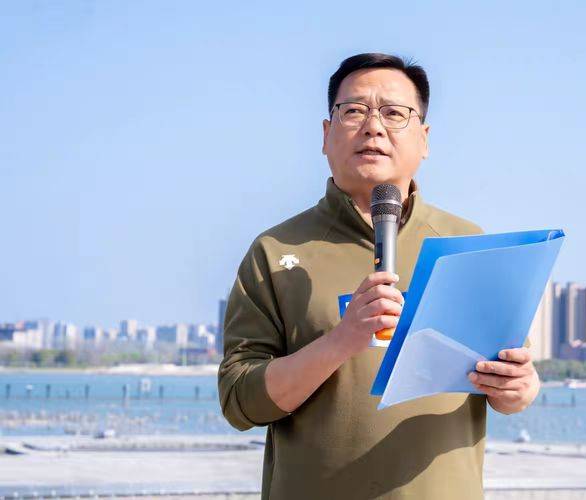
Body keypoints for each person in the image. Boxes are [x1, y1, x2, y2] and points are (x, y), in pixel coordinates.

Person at [218, 52, 540, 500]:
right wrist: (341, 340)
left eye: (394, 113)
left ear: (424, 139)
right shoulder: (275, 251)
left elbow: (511, 381)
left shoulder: (469, 244)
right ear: (326, 134)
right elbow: (240, 401)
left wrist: (518, 388)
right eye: (353, 111)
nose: (373, 127)